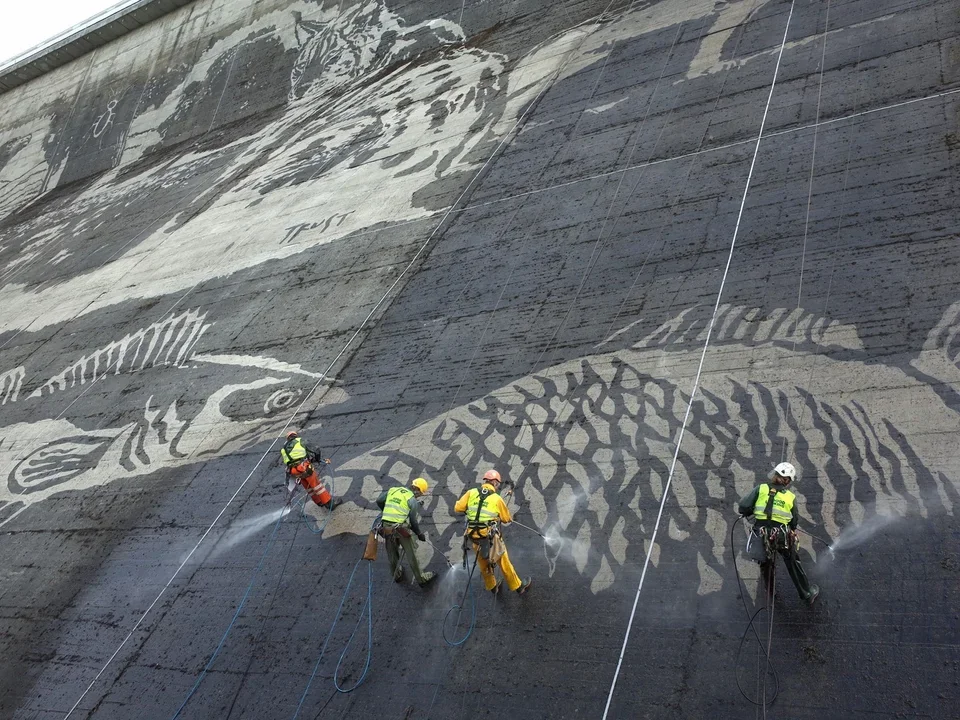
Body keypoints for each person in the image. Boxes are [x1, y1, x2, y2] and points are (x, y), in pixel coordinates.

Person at [738, 461, 820, 606]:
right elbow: (794, 521)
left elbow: (743, 506)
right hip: (781, 535)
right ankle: (806, 593)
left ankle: (770, 591)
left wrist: (750, 511)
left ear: (775, 474)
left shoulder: (761, 488)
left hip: (761, 534)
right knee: (792, 561)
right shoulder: (790, 497)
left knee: (766, 563)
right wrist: (791, 530)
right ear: (787, 481)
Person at [454, 469, 532, 595]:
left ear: (485, 481)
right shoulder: (496, 498)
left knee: (483, 563)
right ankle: (518, 586)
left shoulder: (471, 492)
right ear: (495, 482)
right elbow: (506, 519)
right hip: (490, 539)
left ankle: (493, 587)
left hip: (474, 537)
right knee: (503, 561)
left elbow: (458, 507)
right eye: (498, 483)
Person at [374, 477, 436, 587]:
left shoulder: (393, 490)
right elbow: (413, 521)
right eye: (420, 493)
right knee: (411, 554)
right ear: (418, 490)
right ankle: (421, 579)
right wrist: (419, 534)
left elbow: (379, 501)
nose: (419, 496)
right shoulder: (412, 500)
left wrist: (386, 511)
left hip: (386, 528)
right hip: (400, 529)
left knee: (392, 554)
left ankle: (396, 575)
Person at [280, 431, 342, 511]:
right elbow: (316, 449)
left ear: (288, 439)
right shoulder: (300, 441)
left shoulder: (284, 449)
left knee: (308, 487)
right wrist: (318, 459)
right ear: (295, 436)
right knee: (317, 486)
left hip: (294, 471)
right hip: (304, 468)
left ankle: (319, 502)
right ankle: (330, 504)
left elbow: (293, 459)